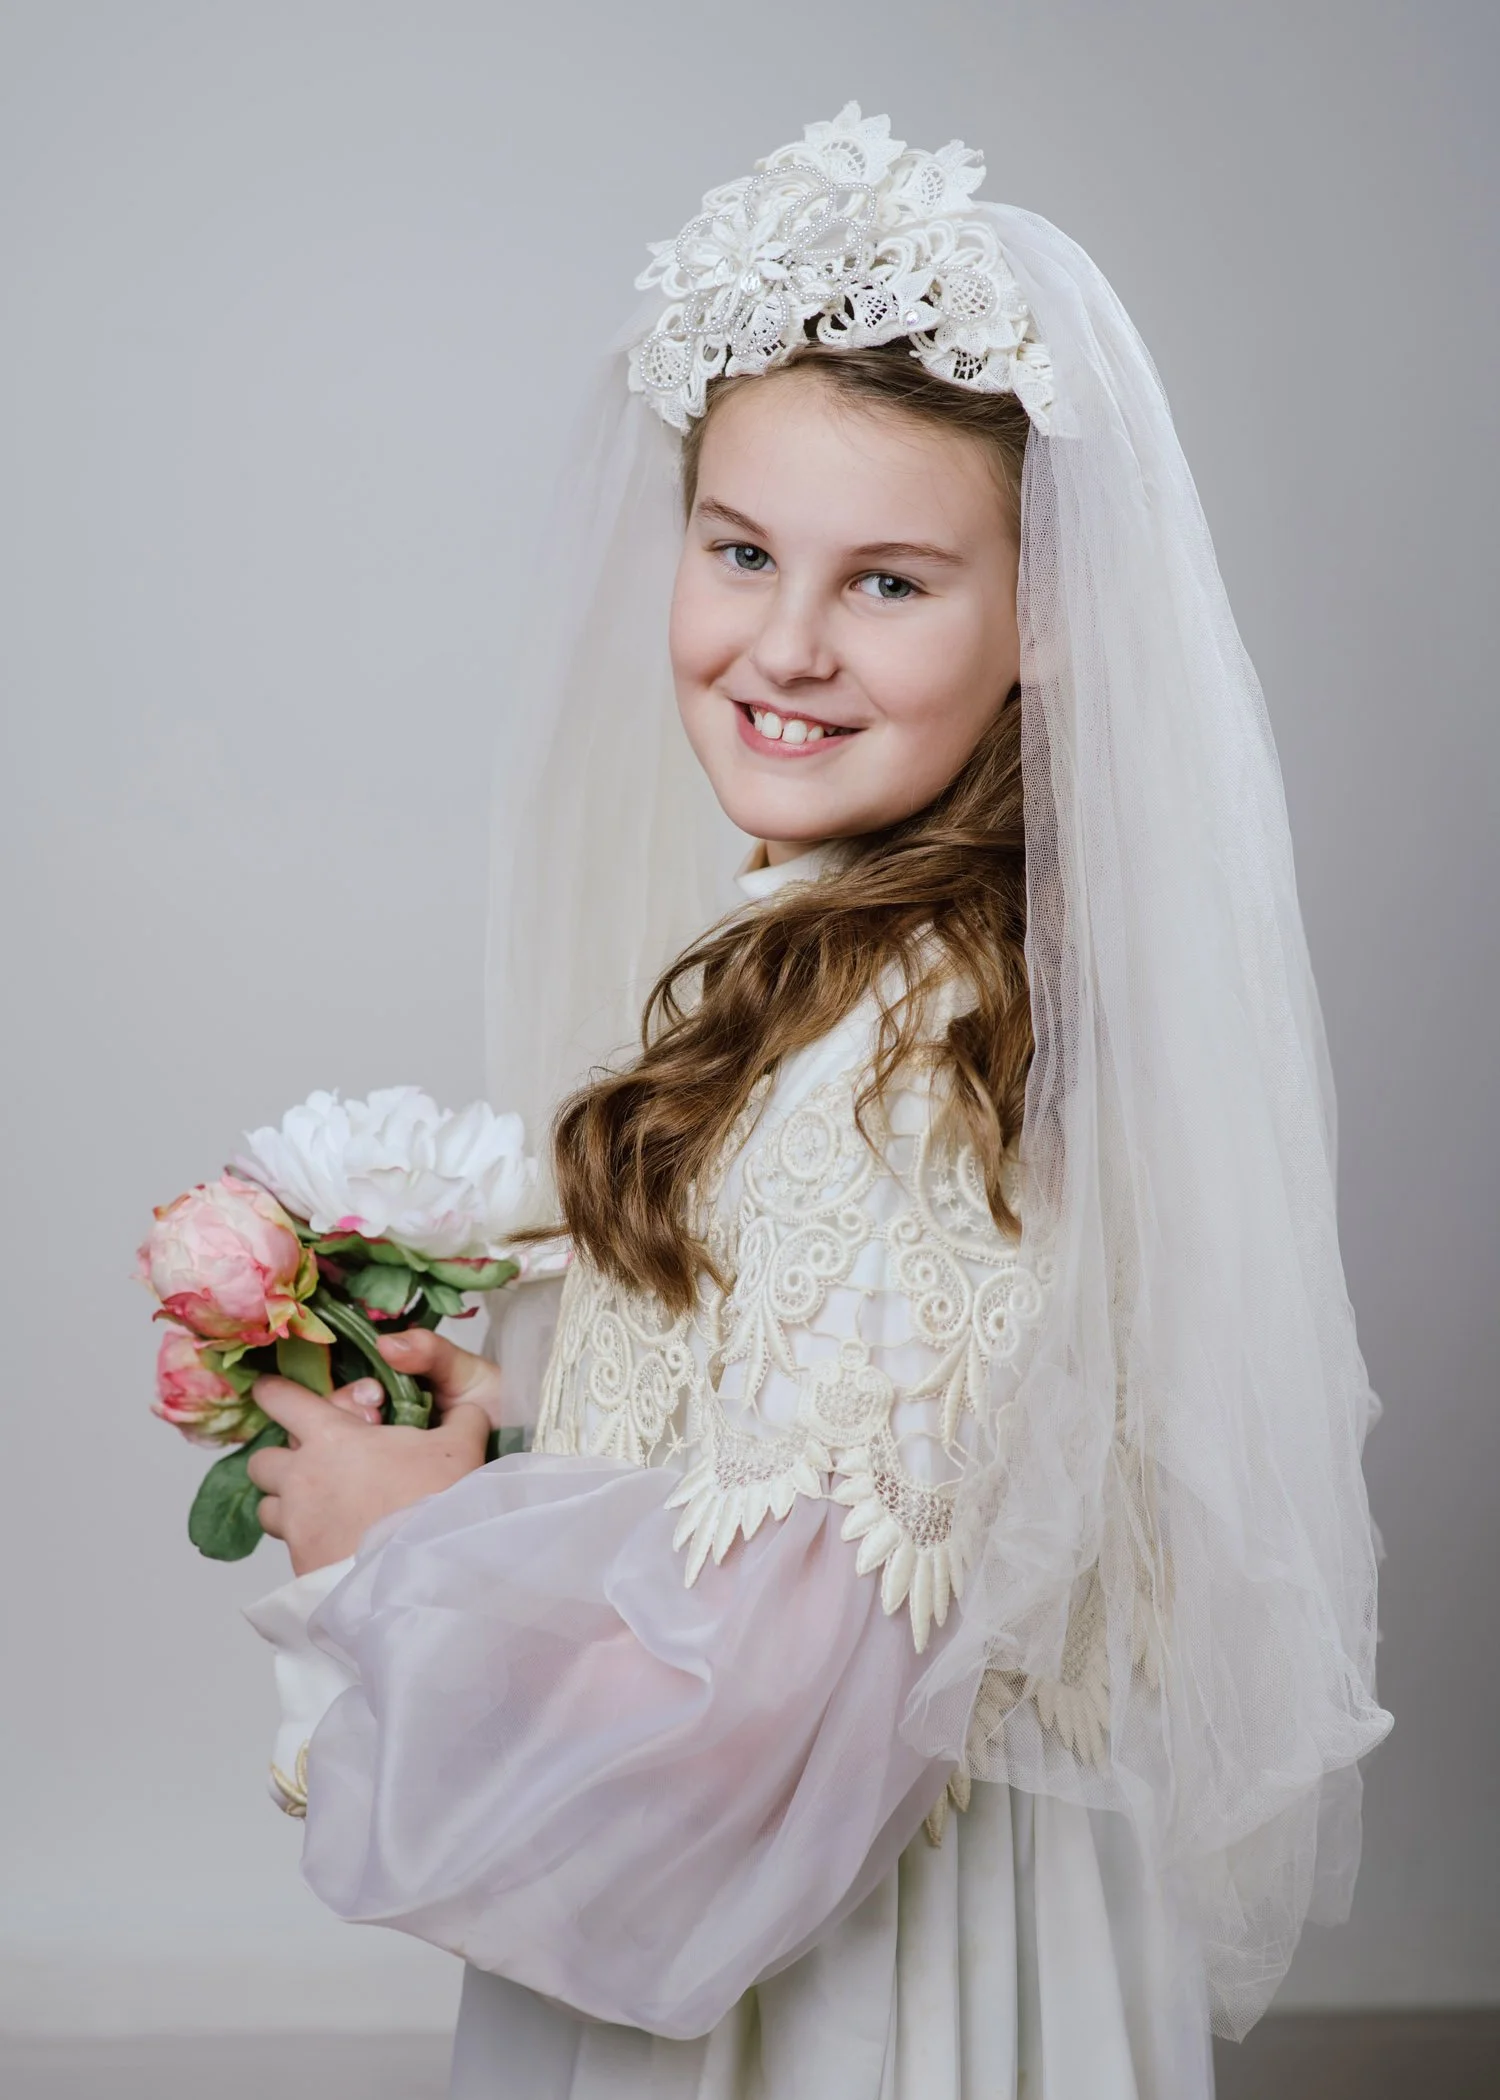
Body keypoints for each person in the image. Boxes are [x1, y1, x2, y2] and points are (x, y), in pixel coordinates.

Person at [242, 105, 1390, 2098]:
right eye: (744, 551)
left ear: (1045, 614)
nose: (785, 642)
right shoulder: (844, 960)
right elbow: (781, 1474)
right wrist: (522, 1444)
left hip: (852, 1986)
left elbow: (760, 1727)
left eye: (890, 584)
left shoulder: (916, 1064)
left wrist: (388, 1559)